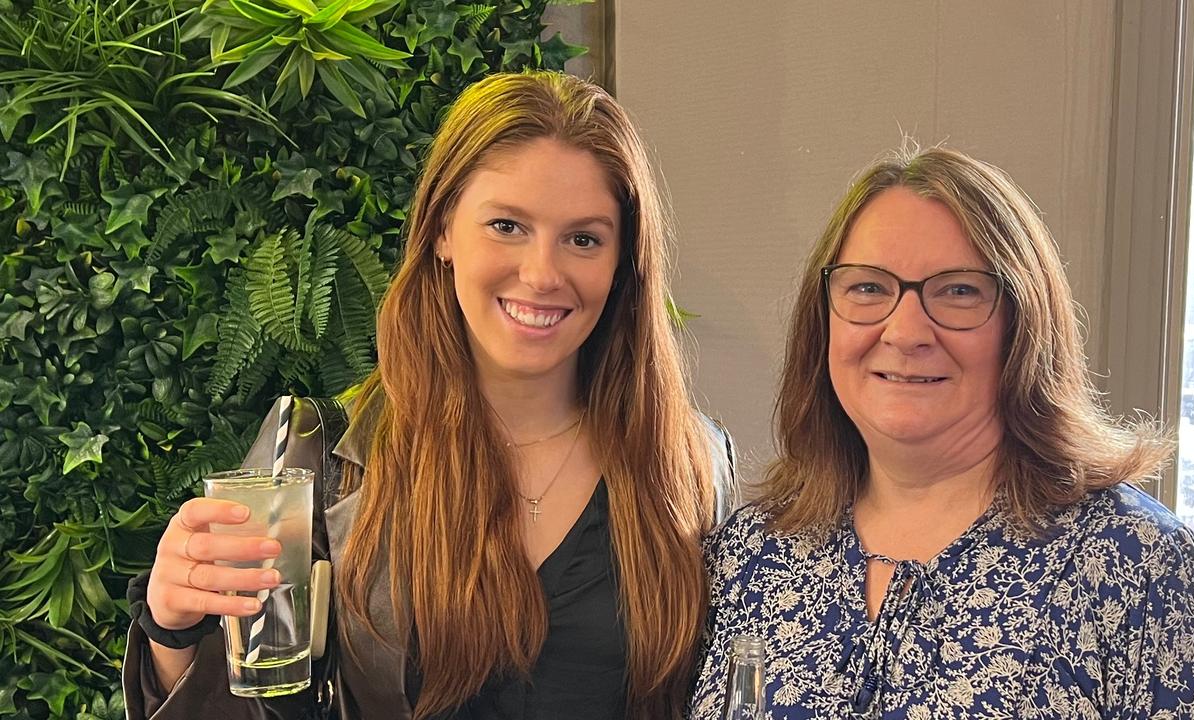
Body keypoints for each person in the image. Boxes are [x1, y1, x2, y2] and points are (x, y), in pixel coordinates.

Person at [122, 70, 736, 720]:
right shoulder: (321, 461)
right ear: (443, 230)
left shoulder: (693, 465)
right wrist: (171, 629)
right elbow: (241, 708)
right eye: (507, 225)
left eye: (583, 239)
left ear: (622, 263)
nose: (542, 273)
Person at [688, 145, 1194, 719]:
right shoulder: (751, 554)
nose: (906, 331)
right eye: (868, 288)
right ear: (825, 321)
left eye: (959, 290)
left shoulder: (1134, 566)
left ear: (1023, 326)